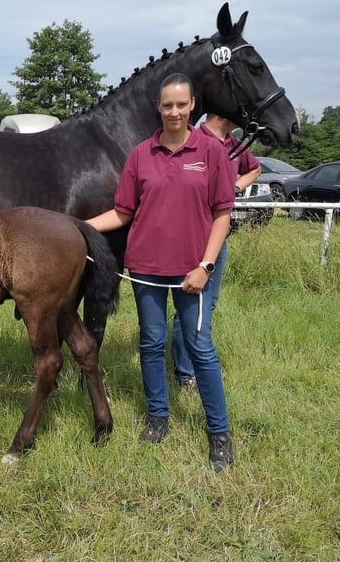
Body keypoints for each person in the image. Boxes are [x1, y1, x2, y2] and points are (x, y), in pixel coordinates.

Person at [86, 73, 235, 471]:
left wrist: (205, 266)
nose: (174, 112)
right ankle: (158, 417)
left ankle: (219, 433)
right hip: (146, 269)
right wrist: (78, 228)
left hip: (192, 272)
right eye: (167, 105)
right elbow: (122, 213)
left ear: (192, 105)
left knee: (200, 348)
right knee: (151, 344)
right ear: (158, 107)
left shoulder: (212, 151)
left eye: (181, 105)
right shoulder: (140, 154)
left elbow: (222, 215)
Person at [171, 113, 262, 391]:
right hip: (192, 234)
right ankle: (185, 372)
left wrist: (233, 188)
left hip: (218, 236)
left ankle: (194, 363)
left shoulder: (234, 144)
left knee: (208, 303)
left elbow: (254, 168)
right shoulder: (193, 140)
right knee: (189, 300)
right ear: (221, 113)